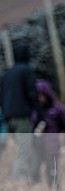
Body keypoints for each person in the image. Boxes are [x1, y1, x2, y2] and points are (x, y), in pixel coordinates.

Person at [0, 42, 45, 180]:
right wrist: (40, 115)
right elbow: (32, 94)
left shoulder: (6, 74)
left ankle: (32, 179)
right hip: (21, 118)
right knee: (24, 150)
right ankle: (17, 181)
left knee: (27, 148)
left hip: (9, 118)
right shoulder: (27, 71)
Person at [32, 79, 65, 189]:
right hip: (37, 146)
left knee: (52, 172)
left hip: (52, 146)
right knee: (34, 170)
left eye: (41, 95)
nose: (39, 98)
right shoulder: (34, 110)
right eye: (37, 95)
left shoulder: (57, 109)